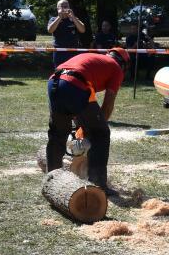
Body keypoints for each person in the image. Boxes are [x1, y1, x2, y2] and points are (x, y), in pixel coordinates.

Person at [45, 47, 129, 190]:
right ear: (123, 64)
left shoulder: (96, 60)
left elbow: (83, 106)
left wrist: (83, 127)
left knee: (57, 134)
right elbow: (108, 105)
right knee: (101, 134)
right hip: (74, 84)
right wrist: (95, 128)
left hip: (54, 82)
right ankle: (97, 184)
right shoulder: (115, 68)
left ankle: (51, 180)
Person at [47, 0, 86, 67]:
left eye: (66, 6)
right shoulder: (53, 19)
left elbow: (82, 30)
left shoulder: (74, 19)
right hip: (59, 51)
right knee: (59, 71)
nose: (65, 8)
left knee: (73, 71)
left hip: (73, 50)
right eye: (62, 6)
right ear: (58, 8)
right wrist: (59, 17)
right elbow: (50, 30)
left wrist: (73, 17)